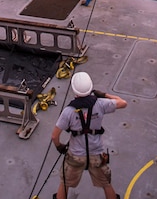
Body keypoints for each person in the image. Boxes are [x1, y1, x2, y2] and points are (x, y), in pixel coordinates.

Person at [51, 71, 127, 199]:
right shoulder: (101, 104)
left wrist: (60, 147)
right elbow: (123, 103)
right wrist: (104, 94)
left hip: (75, 155)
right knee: (106, 183)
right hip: (96, 153)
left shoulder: (68, 111)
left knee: (65, 183)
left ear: (74, 90)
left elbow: (54, 136)